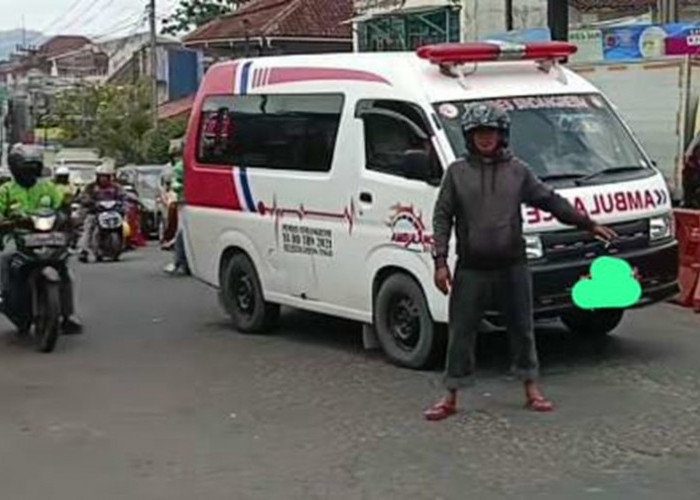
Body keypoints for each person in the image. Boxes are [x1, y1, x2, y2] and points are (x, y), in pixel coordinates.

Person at [425, 103, 617, 421]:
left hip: (512, 265)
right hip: (471, 268)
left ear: (502, 135)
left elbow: (551, 200)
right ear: (469, 136)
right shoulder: (456, 173)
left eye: (491, 132)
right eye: (478, 133)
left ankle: (531, 389)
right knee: (461, 332)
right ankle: (451, 396)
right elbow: (442, 217)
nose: (485, 139)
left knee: (522, 329)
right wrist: (440, 261)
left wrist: (587, 223)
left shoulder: (518, 171)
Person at [0, 144, 82, 333]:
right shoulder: (6, 190)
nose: (30, 172)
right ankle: (4, 294)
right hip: (17, 236)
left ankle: (68, 315)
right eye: (26, 168)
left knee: (63, 267)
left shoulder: (48, 187)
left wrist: (67, 214)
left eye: (33, 167)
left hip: (47, 236)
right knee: (6, 257)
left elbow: (61, 206)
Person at [78, 159, 126, 263]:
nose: (104, 179)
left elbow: (124, 196)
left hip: (113, 212)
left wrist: (125, 203)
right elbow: (83, 197)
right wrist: (88, 201)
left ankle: (121, 246)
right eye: (101, 176)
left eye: (106, 176)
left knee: (123, 225)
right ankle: (83, 250)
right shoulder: (91, 187)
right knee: (88, 227)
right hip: (95, 212)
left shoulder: (116, 187)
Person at [164, 141, 189, 275]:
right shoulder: (181, 166)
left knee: (182, 233)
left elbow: (175, 184)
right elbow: (175, 184)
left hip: (187, 202)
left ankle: (179, 262)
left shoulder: (180, 166)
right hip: (186, 201)